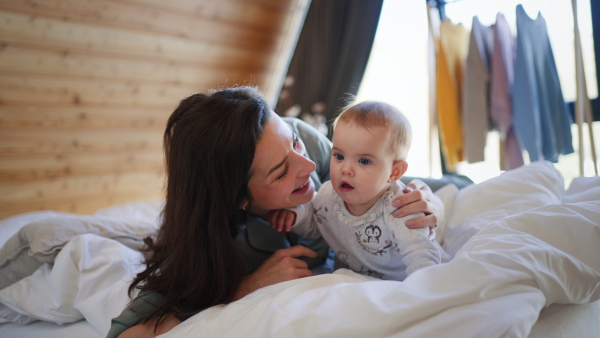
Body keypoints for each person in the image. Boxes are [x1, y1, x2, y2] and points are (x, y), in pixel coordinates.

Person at [108, 87, 445, 337]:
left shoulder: (305, 143)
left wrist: (428, 201)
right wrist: (243, 287)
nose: (310, 164)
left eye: (293, 141)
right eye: (281, 171)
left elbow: (403, 177)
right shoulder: (222, 244)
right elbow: (125, 333)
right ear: (239, 199)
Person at [268, 101, 449, 281]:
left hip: (400, 282)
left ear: (394, 172)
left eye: (364, 161)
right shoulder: (327, 195)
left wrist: (419, 289)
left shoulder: (401, 208)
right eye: (339, 156)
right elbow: (315, 223)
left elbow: (422, 258)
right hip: (355, 282)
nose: (346, 169)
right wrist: (296, 215)